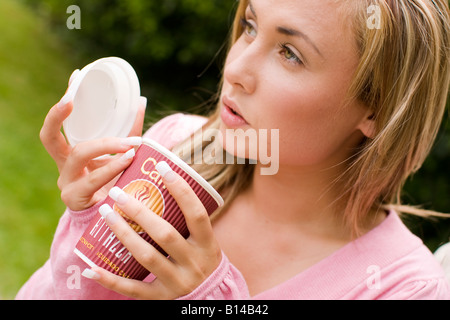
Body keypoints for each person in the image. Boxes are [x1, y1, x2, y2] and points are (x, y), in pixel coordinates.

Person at [16, 0, 450, 300]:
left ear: (375, 108)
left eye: (290, 53)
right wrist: (91, 224)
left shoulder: (405, 287)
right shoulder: (171, 149)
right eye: (249, 26)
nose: (236, 69)